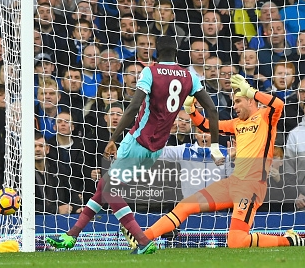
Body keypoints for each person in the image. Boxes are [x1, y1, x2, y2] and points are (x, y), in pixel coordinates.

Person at [46, 36, 222, 254]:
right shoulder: (190, 76)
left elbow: (133, 106)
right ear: (176, 52)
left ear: (156, 51)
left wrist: (113, 138)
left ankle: (142, 239)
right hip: (156, 147)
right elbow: (212, 110)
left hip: (137, 139)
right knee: (104, 186)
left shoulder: (150, 71)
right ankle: (71, 236)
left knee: (110, 189)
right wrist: (214, 145)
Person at [139, 74, 305, 248]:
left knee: (236, 242)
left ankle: (288, 240)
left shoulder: (265, 117)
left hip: (251, 186)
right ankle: (142, 239)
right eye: (234, 102)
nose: (234, 106)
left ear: (250, 100)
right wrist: (191, 111)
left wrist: (252, 91)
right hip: (233, 183)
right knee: (185, 205)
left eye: (238, 101)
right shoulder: (236, 124)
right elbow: (206, 126)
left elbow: (278, 104)